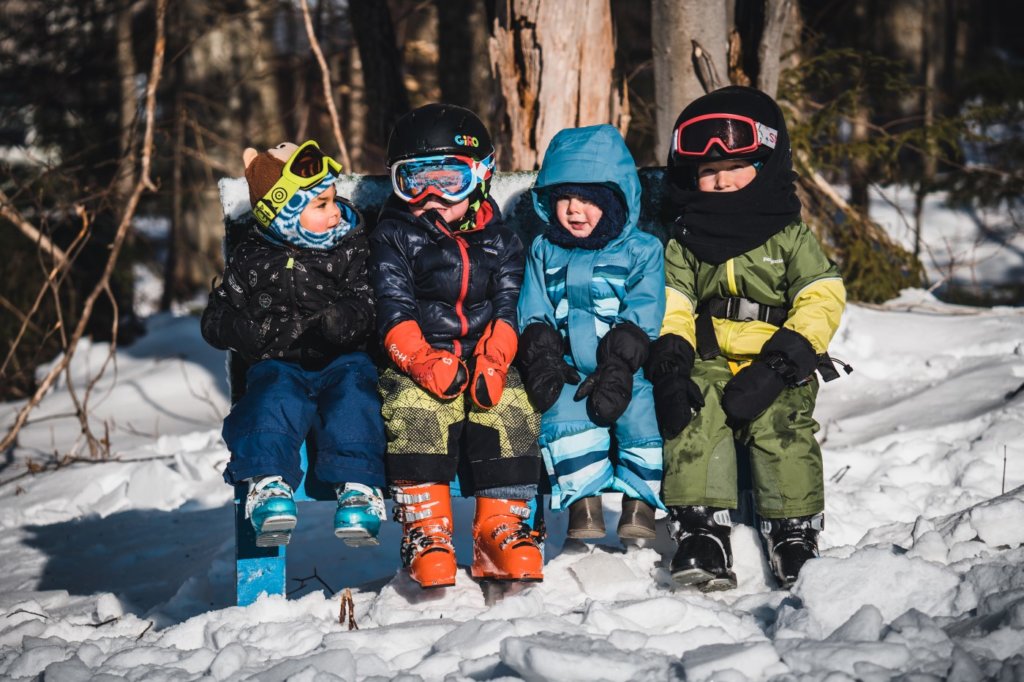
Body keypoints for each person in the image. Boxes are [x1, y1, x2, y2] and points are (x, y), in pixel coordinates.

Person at [648, 86, 847, 590]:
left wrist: (784, 363)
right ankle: (700, 530)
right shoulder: (685, 238)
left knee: (781, 421)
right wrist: (672, 361)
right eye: (708, 173)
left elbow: (822, 295)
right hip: (707, 355)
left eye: (734, 168)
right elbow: (674, 301)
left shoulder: (789, 235)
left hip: (775, 359)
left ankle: (793, 531)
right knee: (695, 413)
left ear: (766, 165)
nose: (720, 181)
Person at [369, 103, 543, 588]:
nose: (431, 197)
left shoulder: (502, 240)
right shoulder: (394, 236)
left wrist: (493, 360)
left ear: (482, 177)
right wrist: (422, 361)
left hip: (485, 357)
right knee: (415, 408)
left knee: (512, 404)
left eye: (449, 182)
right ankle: (426, 530)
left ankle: (499, 528)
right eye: (414, 182)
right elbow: (393, 308)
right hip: (418, 359)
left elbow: (510, 308)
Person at [201, 140, 386, 549]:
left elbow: (371, 299)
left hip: (343, 359)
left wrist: (346, 319)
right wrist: (243, 331)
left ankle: (358, 489)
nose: (335, 211)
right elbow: (214, 318)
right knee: (268, 398)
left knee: (355, 399)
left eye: (333, 200)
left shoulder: (350, 246)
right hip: (279, 363)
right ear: (282, 214)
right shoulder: (251, 259)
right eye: (321, 204)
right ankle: (269, 486)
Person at [516, 124, 666, 542]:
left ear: (614, 200)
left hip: (626, 366)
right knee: (562, 413)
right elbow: (534, 305)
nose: (573, 209)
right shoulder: (544, 249)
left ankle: (639, 504)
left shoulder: (641, 250)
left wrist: (622, 357)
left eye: (587, 199)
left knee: (640, 413)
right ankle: (584, 503)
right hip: (566, 367)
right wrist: (542, 351)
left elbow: (645, 305)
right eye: (563, 198)